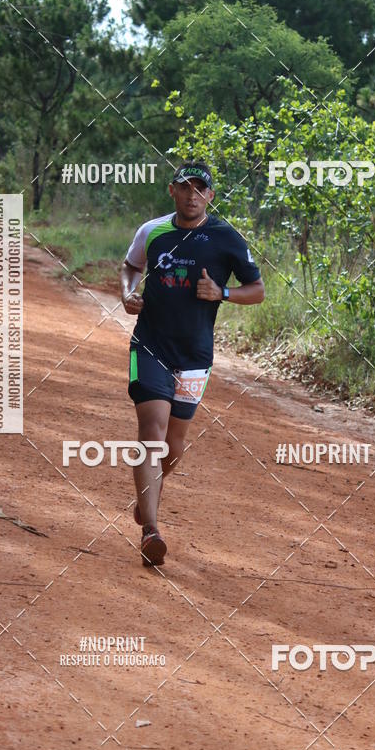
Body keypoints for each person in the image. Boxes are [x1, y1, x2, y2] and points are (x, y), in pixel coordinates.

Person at [120, 163, 265, 567]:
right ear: (172, 191)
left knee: (173, 447)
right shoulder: (152, 231)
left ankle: (145, 498)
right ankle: (151, 530)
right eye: (185, 188)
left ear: (210, 196)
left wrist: (223, 293)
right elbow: (131, 267)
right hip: (150, 345)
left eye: (200, 189)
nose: (192, 195)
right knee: (152, 432)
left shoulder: (226, 238)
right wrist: (128, 293)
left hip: (196, 355)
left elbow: (257, 290)